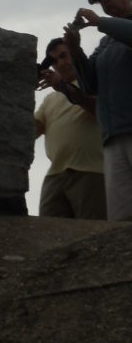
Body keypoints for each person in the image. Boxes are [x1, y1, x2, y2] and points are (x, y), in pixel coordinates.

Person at [65, 0, 132, 221]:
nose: (104, 2)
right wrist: (74, 49)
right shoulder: (106, 42)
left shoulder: (109, 31)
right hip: (113, 138)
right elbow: (90, 85)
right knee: (120, 222)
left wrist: (100, 22)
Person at [35, 37, 106, 219]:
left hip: (91, 172)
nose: (61, 63)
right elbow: (31, 131)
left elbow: (99, 109)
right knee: (49, 238)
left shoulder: (94, 84)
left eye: (64, 56)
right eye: (55, 61)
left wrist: (63, 87)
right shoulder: (50, 99)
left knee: (93, 236)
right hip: (55, 175)